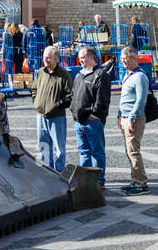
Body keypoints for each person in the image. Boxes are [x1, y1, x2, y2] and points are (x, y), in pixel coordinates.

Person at [70, 44, 111, 187]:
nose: (80, 60)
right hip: (79, 121)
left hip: (92, 121)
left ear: (91, 57)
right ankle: (85, 181)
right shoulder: (79, 75)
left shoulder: (100, 74)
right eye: (79, 58)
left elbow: (103, 98)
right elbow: (73, 95)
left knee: (97, 152)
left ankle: (98, 181)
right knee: (84, 152)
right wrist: (73, 111)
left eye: (83, 57)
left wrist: (94, 115)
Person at [31, 45, 72, 173]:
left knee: (60, 147)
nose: (45, 60)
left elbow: (70, 96)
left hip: (57, 117)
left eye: (48, 58)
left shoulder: (64, 74)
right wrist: (37, 103)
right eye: (44, 57)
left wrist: (55, 106)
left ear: (56, 58)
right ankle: (46, 172)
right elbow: (34, 90)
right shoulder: (40, 72)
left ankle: (59, 172)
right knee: (43, 145)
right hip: (41, 116)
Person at [117, 45, 149, 195]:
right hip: (125, 118)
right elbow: (124, 99)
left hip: (134, 119)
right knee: (129, 151)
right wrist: (119, 115)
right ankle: (134, 180)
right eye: (121, 59)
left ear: (135, 59)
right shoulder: (127, 75)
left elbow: (140, 101)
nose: (123, 61)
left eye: (126, 59)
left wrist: (130, 118)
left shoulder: (140, 76)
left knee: (134, 151)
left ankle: (141, 184)